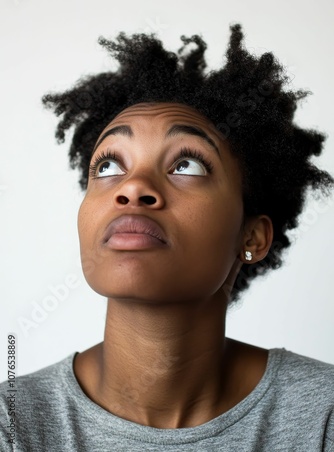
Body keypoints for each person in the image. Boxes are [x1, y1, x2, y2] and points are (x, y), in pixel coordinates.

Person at [1, 24, 334, 451]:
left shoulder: (321, 418)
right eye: (107, 167)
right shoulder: (14, 425)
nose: (133, 186)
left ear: (252, 236)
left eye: (187, 165)